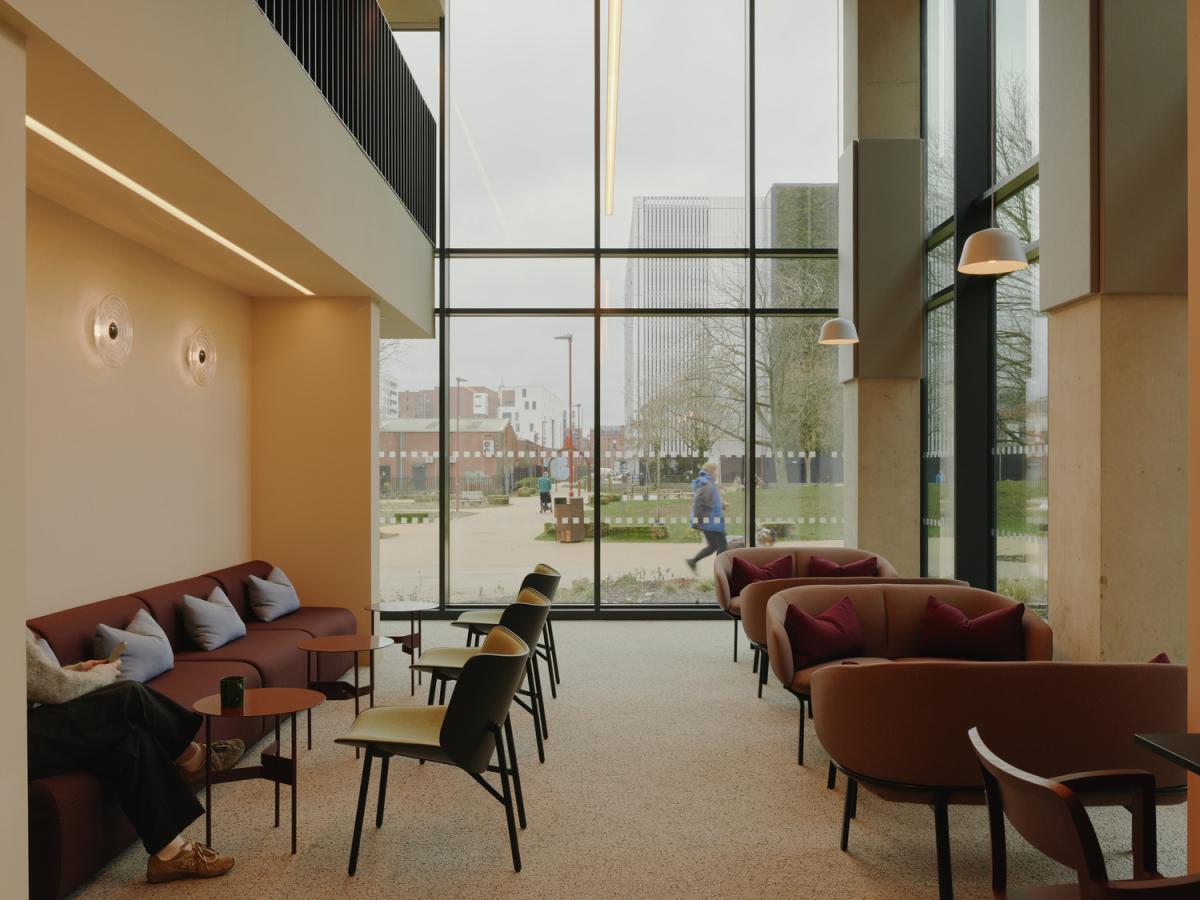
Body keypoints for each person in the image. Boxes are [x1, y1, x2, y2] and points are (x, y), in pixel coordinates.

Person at [26, 628, 243, 883]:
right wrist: (102, 674)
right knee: (130, 696)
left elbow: (32, 680)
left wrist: (80, 668)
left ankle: (170, 854)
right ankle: (194, 758)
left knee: (131, 738)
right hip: (17, 744)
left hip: (31, 727)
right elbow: (55, 689)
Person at [685, 461, 727, 574]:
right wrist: (698, 520)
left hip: (711, 522)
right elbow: (699, 503)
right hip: (710, 522)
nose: (717, 473)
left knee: (713, 546)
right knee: (723, 546)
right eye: (716, 471)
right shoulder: (706, 484)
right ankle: (720, 572)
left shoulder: (709, 483)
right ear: (711, 472)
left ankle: (693, 561)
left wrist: (722, 505)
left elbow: (712, 500)